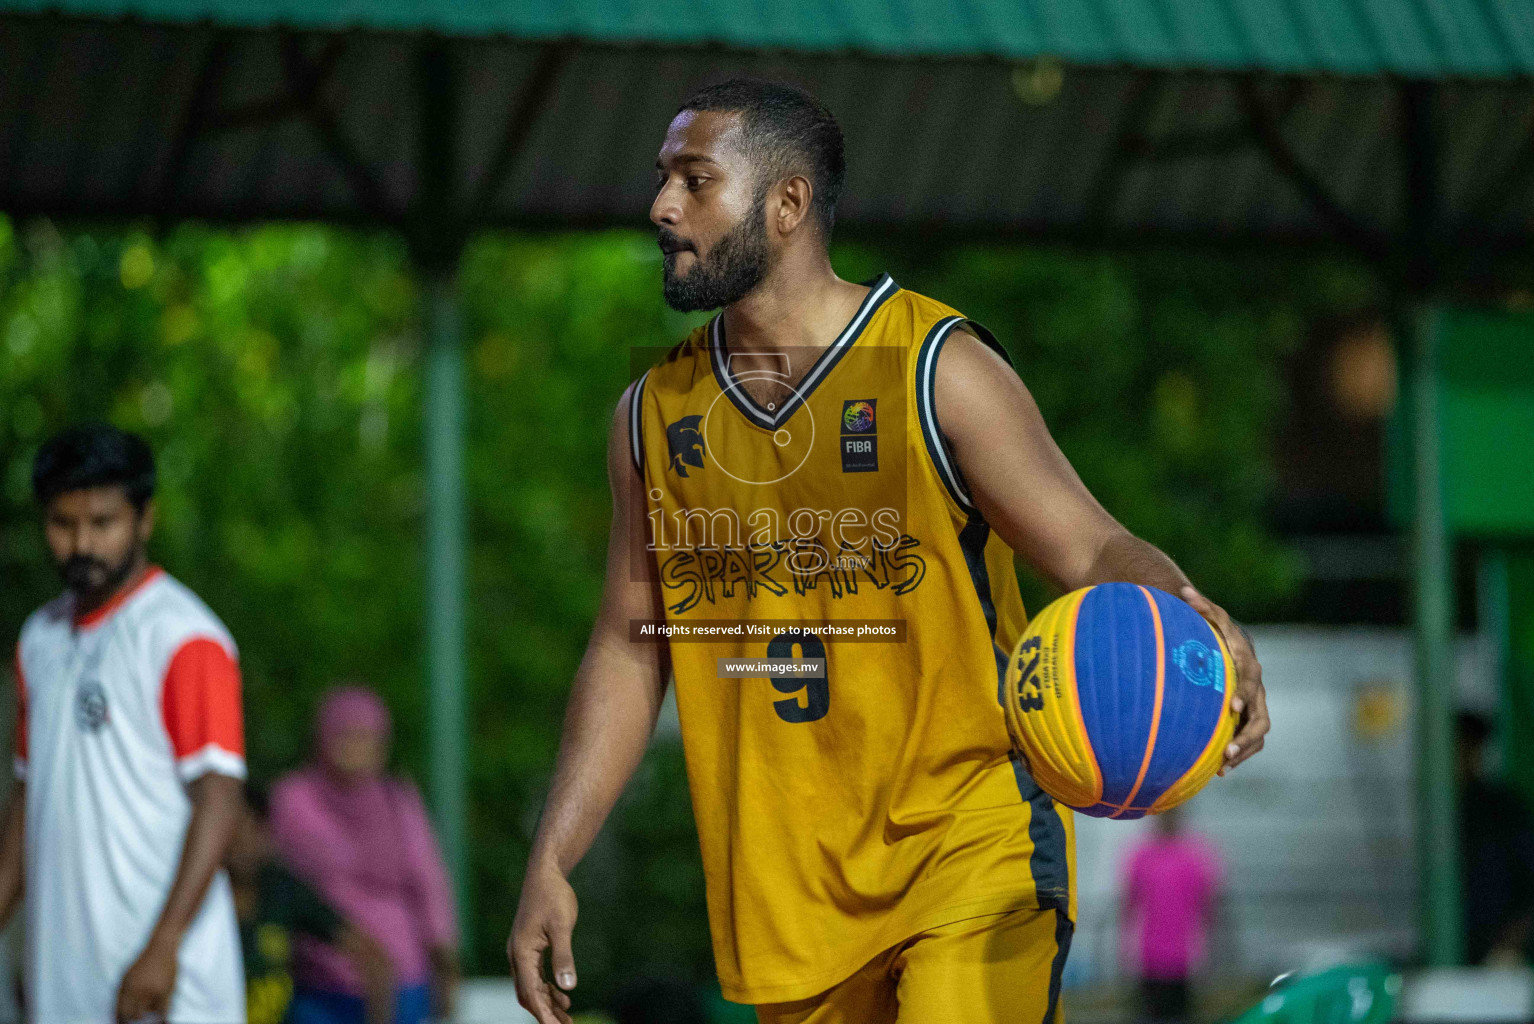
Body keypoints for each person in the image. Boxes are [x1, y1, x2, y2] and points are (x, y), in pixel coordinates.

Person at [508, 78, 1269, 1024]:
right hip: (788, 901)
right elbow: (630, 648)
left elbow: (1092, 545)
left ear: (787, 204)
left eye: (694, 180)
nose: (661, 206)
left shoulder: (933, 367)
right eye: (662, 179)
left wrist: (1196, 612)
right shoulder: (649, 418)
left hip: (971, 847)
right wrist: (553, 857)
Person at [0, 423, 248, 1024]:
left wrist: (163, 947)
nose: (82, 542)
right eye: (63, 523)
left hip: (164, 980)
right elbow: (30, 795)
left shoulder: (182, 636)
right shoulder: (39, 639)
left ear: (145, 519)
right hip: (65, 972)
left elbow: (219, 798)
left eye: (103, 522)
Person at [270, 687, 460, 1024]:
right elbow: (270, 878)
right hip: (317, 981)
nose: (357, 748)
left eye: (367, 737)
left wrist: (444, 957)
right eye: (346, 735)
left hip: (402, 980)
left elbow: (428, 882)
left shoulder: (397, 799)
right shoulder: (294, 798)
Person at [229, 784, 395, 1024]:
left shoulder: (282, 890)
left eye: (257, 827)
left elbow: (375, 959)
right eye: (234, 829)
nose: (244, 841)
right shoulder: (194, 898)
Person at [1120, 810, 1223, 1024]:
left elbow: (1208, 907)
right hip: (1149, 957)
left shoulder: (1195, 856)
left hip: (1182, 957)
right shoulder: (1141, 855)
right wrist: (1125, 949)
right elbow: (1129, 905)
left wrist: (1209, 949)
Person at [1458, 711, 1534, 965]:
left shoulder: (1501, 808)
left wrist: (1509, 945)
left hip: (1498, 957)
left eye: (1466, 746)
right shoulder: (1433, 813)